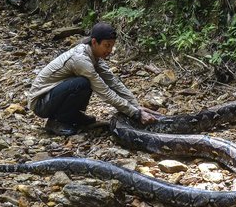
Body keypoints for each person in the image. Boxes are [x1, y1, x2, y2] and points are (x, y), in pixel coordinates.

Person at [28, 22, 157, 136]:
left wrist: (136, 106)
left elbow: (113, 82)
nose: (110, 50)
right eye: (107, 46)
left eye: (112, 46)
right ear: (94, 42)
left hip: (52, 97)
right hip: (40, 102)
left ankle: (72, 116)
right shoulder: (81, 60)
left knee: (84, 83)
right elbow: (104, 91)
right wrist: (135, 114)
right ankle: (57, 122)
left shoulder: (94, 56)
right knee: (82, 83)